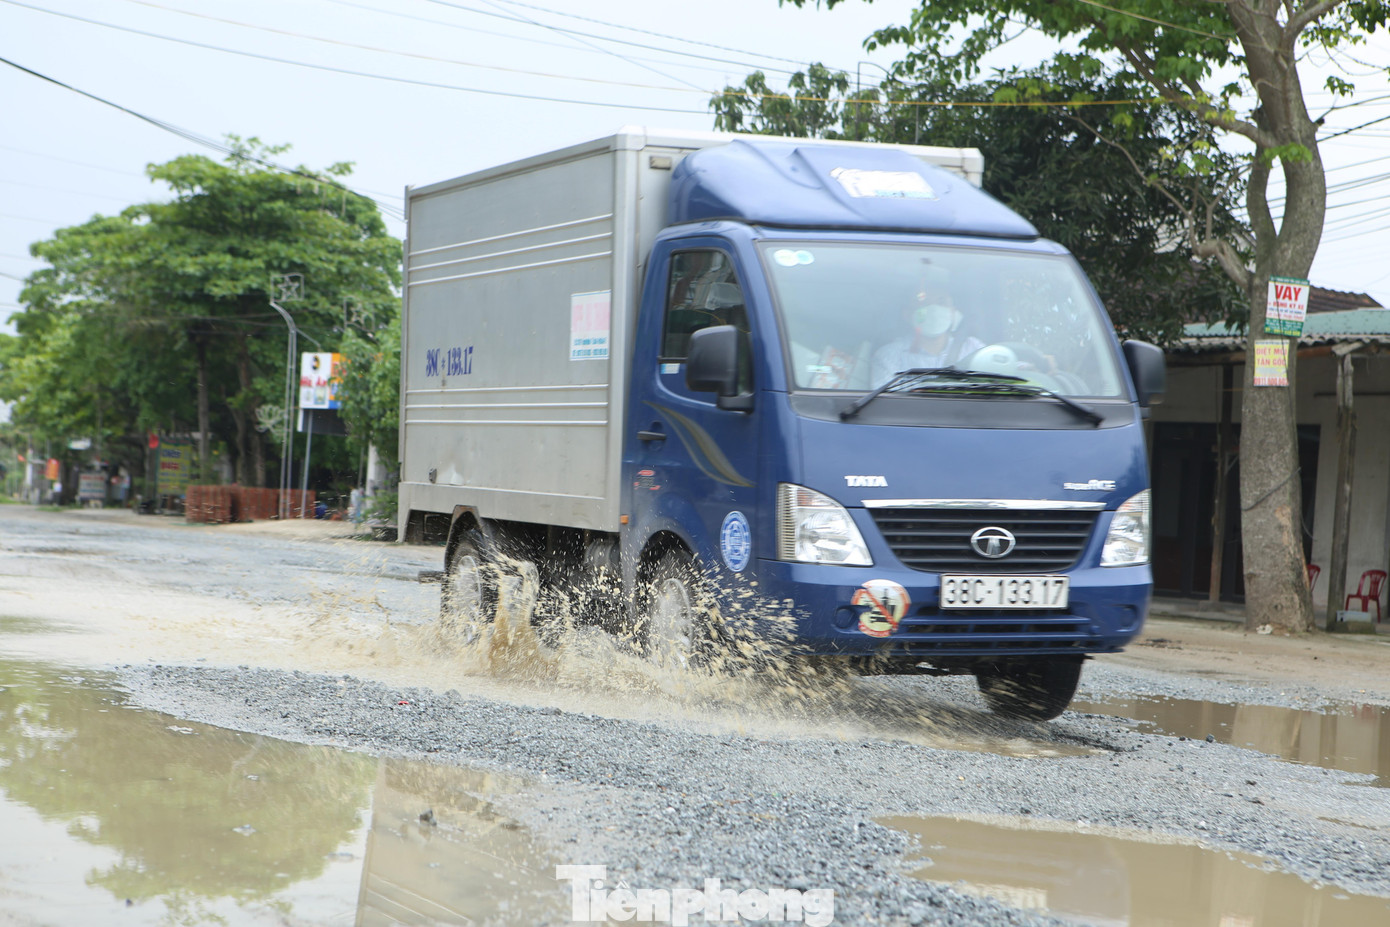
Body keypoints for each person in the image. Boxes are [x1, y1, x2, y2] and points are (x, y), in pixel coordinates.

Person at [871, 286, 984, 385]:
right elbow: (886, 404)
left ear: (953, 312)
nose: (933, 310)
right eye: (924, 303)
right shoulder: (889, 356)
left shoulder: (974, 349)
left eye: (941, 302)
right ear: (907, 314)